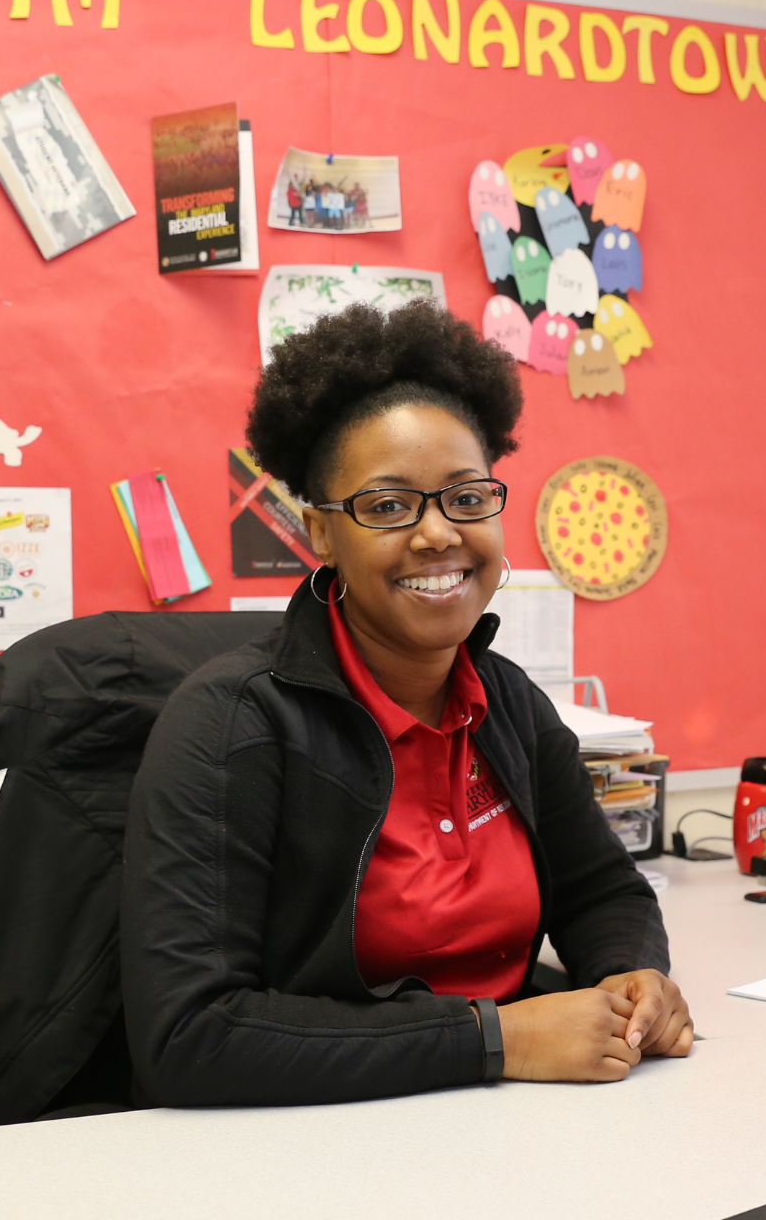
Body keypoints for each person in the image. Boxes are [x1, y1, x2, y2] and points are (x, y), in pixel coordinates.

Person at [121, 300, 691, 1107]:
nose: (437, 535)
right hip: (312, 1141)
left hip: (505, 1118)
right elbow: (190, 1037)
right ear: (320, 534)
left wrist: (632, 976)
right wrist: (494, 1038)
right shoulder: (229, 725)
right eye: (387, 507)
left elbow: (602, 891)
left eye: (465, 497)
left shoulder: (507, 703)